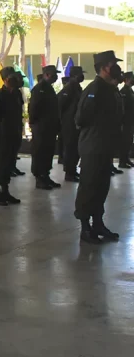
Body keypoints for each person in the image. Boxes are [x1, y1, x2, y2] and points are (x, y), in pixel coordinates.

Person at [74, 51, 124, 244]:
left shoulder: (110, 88)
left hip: (105, 146)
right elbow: (80, 119)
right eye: (112, 64)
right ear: (103, 67)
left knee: (102, 186)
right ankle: (85, 228)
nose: (116, 68)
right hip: (93, 146)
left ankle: (98, 223)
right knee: (89, 185)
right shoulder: (95, 89)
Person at [0, 67, 24, 206]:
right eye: (13, 77)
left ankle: (6, 191)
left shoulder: (16, 94)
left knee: (9, 164)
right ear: (7, 79)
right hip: (2, 136)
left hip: (14, 134)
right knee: (0, 165)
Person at [29, 65, 62, 190]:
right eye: (53, 74)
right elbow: (33, 108)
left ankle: (46, 175)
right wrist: (35, 124)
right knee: (39, 152)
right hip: (41, 127)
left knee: (48, 151)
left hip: (50, 127)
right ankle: (39, 178)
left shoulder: (49, 88)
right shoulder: (39, 89)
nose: (55, 77)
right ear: (47, 74)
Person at [58, 68, 85, 182]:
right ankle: (69, 173)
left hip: (75, 124)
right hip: (69, 124)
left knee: (75, 149)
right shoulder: (68, 88)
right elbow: (60, 105)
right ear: (74, 75)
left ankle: (72, 170)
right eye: (80, 74)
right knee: (70, 149)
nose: (81, 77)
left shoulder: (77, 88)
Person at [118, 71, 134, 168]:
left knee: (129, 140)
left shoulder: (130, 90)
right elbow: (122, 108)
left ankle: (126, 158)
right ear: (127, 80)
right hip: (125, 121)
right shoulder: (123, 92)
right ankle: (122, 161)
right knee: (124, 141)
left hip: (130, 120)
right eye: (132, 78)